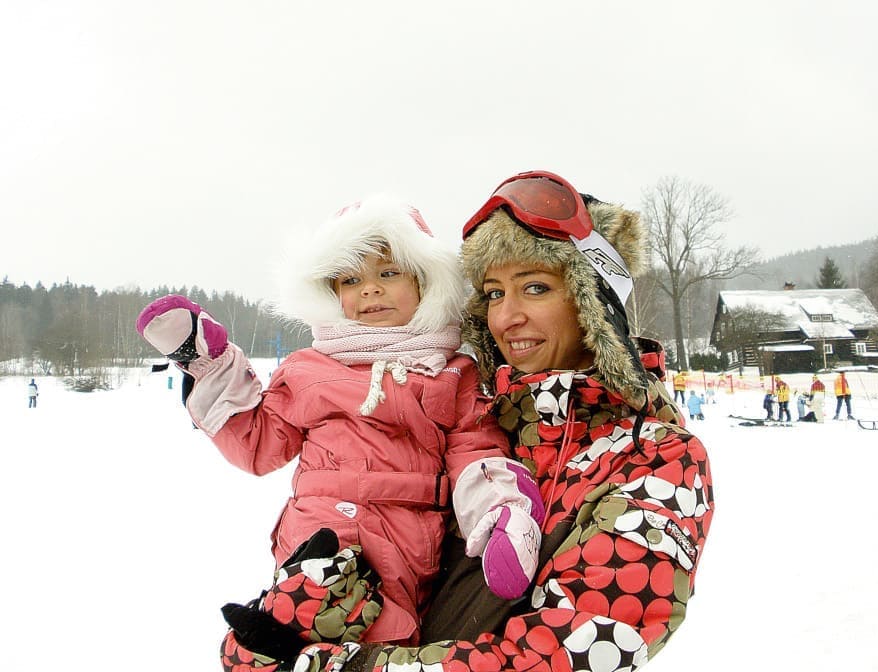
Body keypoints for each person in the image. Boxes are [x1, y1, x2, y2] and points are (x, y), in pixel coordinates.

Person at [227, 170, 716, 672]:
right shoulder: (483, 421)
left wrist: (331, 667)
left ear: (594, 302)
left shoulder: (658, 460)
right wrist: (282, 631)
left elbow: (569, 653)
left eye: (535, 287)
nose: (506, 317)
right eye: (494, 293)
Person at [136, 197, 544, 653]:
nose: (370, 290)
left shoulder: (450, 371)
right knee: (304, 631)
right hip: (316, 532)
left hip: (403, 534)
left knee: (384, 634)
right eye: (351, 279)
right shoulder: (308, 368)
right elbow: (259, 444)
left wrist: (499, 509)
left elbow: (474, 448)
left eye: (388, 273)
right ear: (331, 293)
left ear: (424, 282)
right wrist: (214, 369)